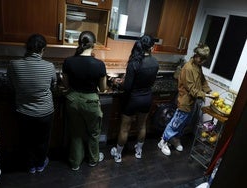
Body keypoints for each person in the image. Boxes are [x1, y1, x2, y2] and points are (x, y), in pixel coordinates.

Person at [7, 34, 57, 174]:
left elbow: (10, 84)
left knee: (26, 141)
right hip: (45, 112)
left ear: (26, 48)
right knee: (43, 140)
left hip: (24, 112)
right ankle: (40, 164)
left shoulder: (13, 65)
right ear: (43, 50)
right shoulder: (49, 66)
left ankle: (30, 166)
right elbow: (53, 85)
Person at [62, 31, 107, 171]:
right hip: (91, 102)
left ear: (79, 43)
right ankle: (93, 160)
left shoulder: (68, 62)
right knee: (94, 133)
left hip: (73, 100)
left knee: (76, 133)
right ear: (93, 44)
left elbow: (66, 85)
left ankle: (75, 163)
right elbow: (103, 88)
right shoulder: (99, 64)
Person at [110, 35, 159, 163]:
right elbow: (150, 82)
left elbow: (127, 87)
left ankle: (118, 155)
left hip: (132, 100)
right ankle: (138, 151)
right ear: (152, 47)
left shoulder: (134, 62)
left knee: (125, 128)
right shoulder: (155, 62)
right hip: (147, 98)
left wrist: (118, 82)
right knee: (142, 126)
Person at [158, 43, 213, 156]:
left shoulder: (198, 66)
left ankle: (174, 139)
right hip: (185, 101)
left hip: (192, 102)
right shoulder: (188, 68)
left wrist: (209, 91)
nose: (202, 61)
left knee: (184, 123)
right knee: (176, 122)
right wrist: (205, 95)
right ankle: (163, 141)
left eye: (204, 59)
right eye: (201, 58)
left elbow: (202, 80)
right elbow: (192, 89)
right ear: (196, 55)